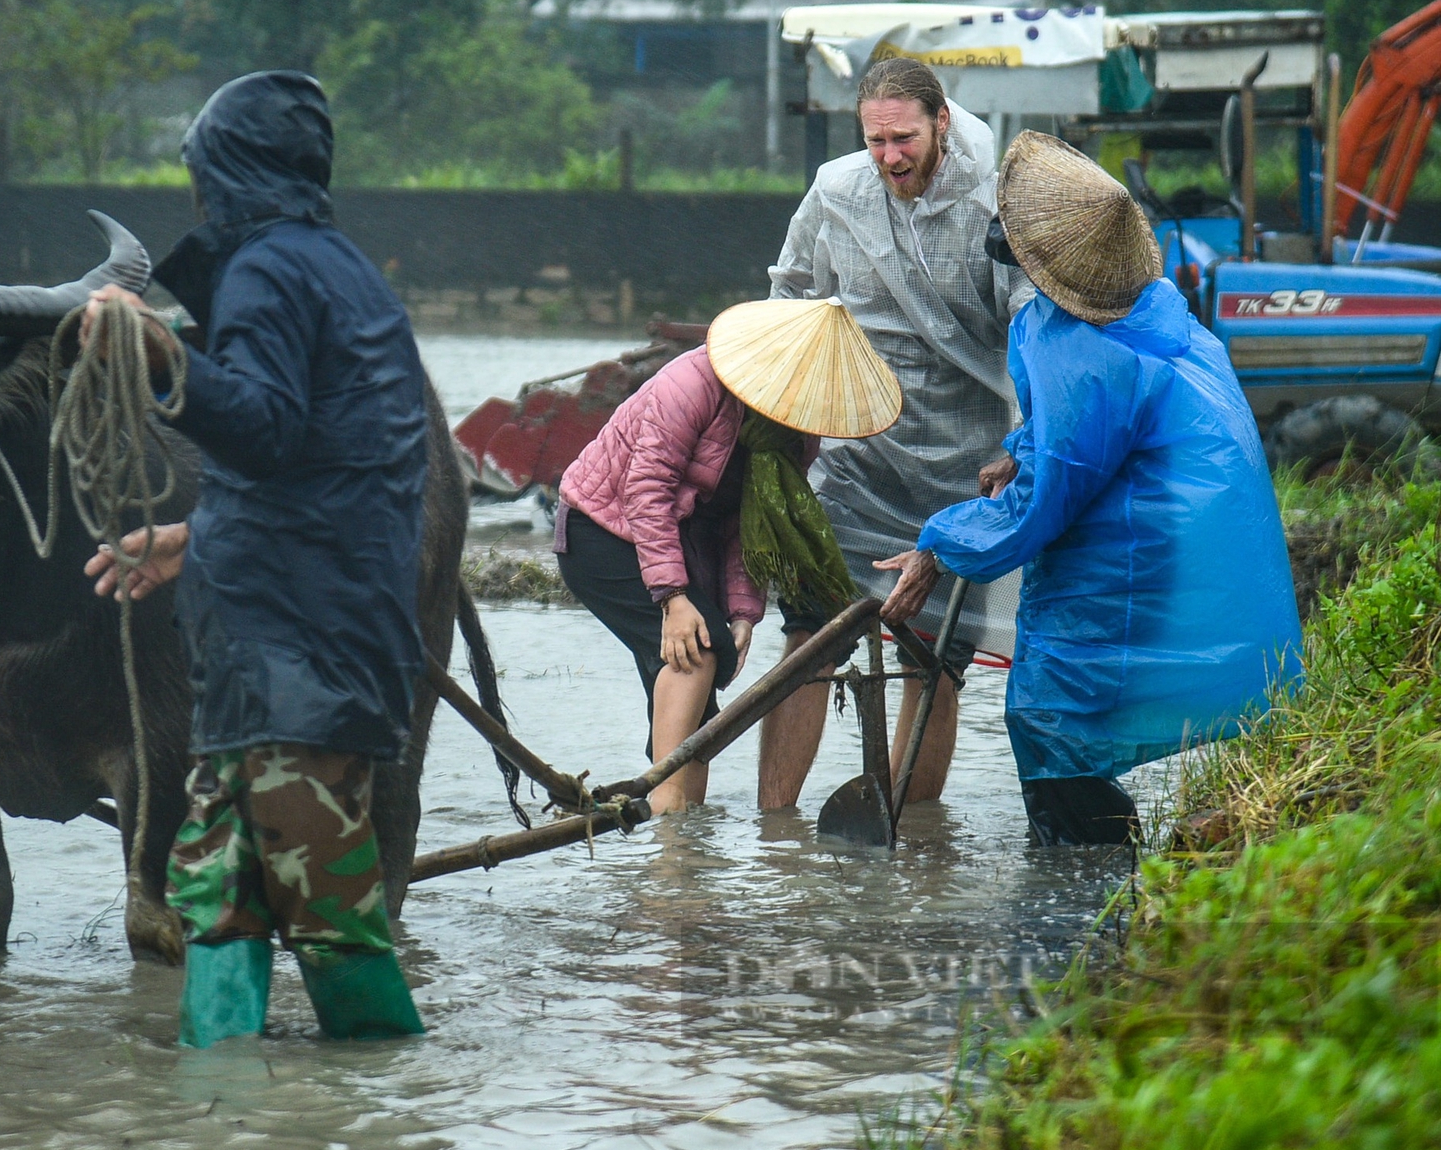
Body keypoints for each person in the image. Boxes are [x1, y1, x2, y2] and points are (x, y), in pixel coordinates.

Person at [82, 71, 427, 1046]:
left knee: (324, 905)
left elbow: (269, 427)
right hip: (272, 650)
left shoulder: (270, 272)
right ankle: (221, 1095)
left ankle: (385, 1094)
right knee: (215, 895)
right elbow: (335, 465)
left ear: (221, 177)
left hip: (298, 659)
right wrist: (194, 540)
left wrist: (163, 356)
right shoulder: (338, 273)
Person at [877, 131, 1303, 844]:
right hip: (1182, 548)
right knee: (1076, 722)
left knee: (1052, 720)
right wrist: (1019, 446)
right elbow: (1081, 431)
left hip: (1133, 553)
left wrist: (939, 542)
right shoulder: (1155, 312)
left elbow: (1049, 494)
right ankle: (1114, 878)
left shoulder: (1081, 345)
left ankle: (1085, 904)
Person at [760, 56, 1034, 812]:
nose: (890, 157)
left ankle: (914, 837)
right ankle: (772, 836)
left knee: (932, 654)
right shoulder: (836, 192)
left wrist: (1022, 444)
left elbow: (1033, 327)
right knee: (809, 637)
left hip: (964, 464)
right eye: (875, 142)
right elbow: (789, 300)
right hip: (854, 458)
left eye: (904, 139)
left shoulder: (996, 202)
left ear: (940, 122)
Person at [555, 298, 901, 813]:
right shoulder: (691, 383)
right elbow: (646, 491)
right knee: (698, 648)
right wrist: (672, 596)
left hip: (679, 538)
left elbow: (749, 525)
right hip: (602, 528)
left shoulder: (793, 434)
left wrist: (743, 612)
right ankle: (668, 817)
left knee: (702, 674)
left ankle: (684, 840)